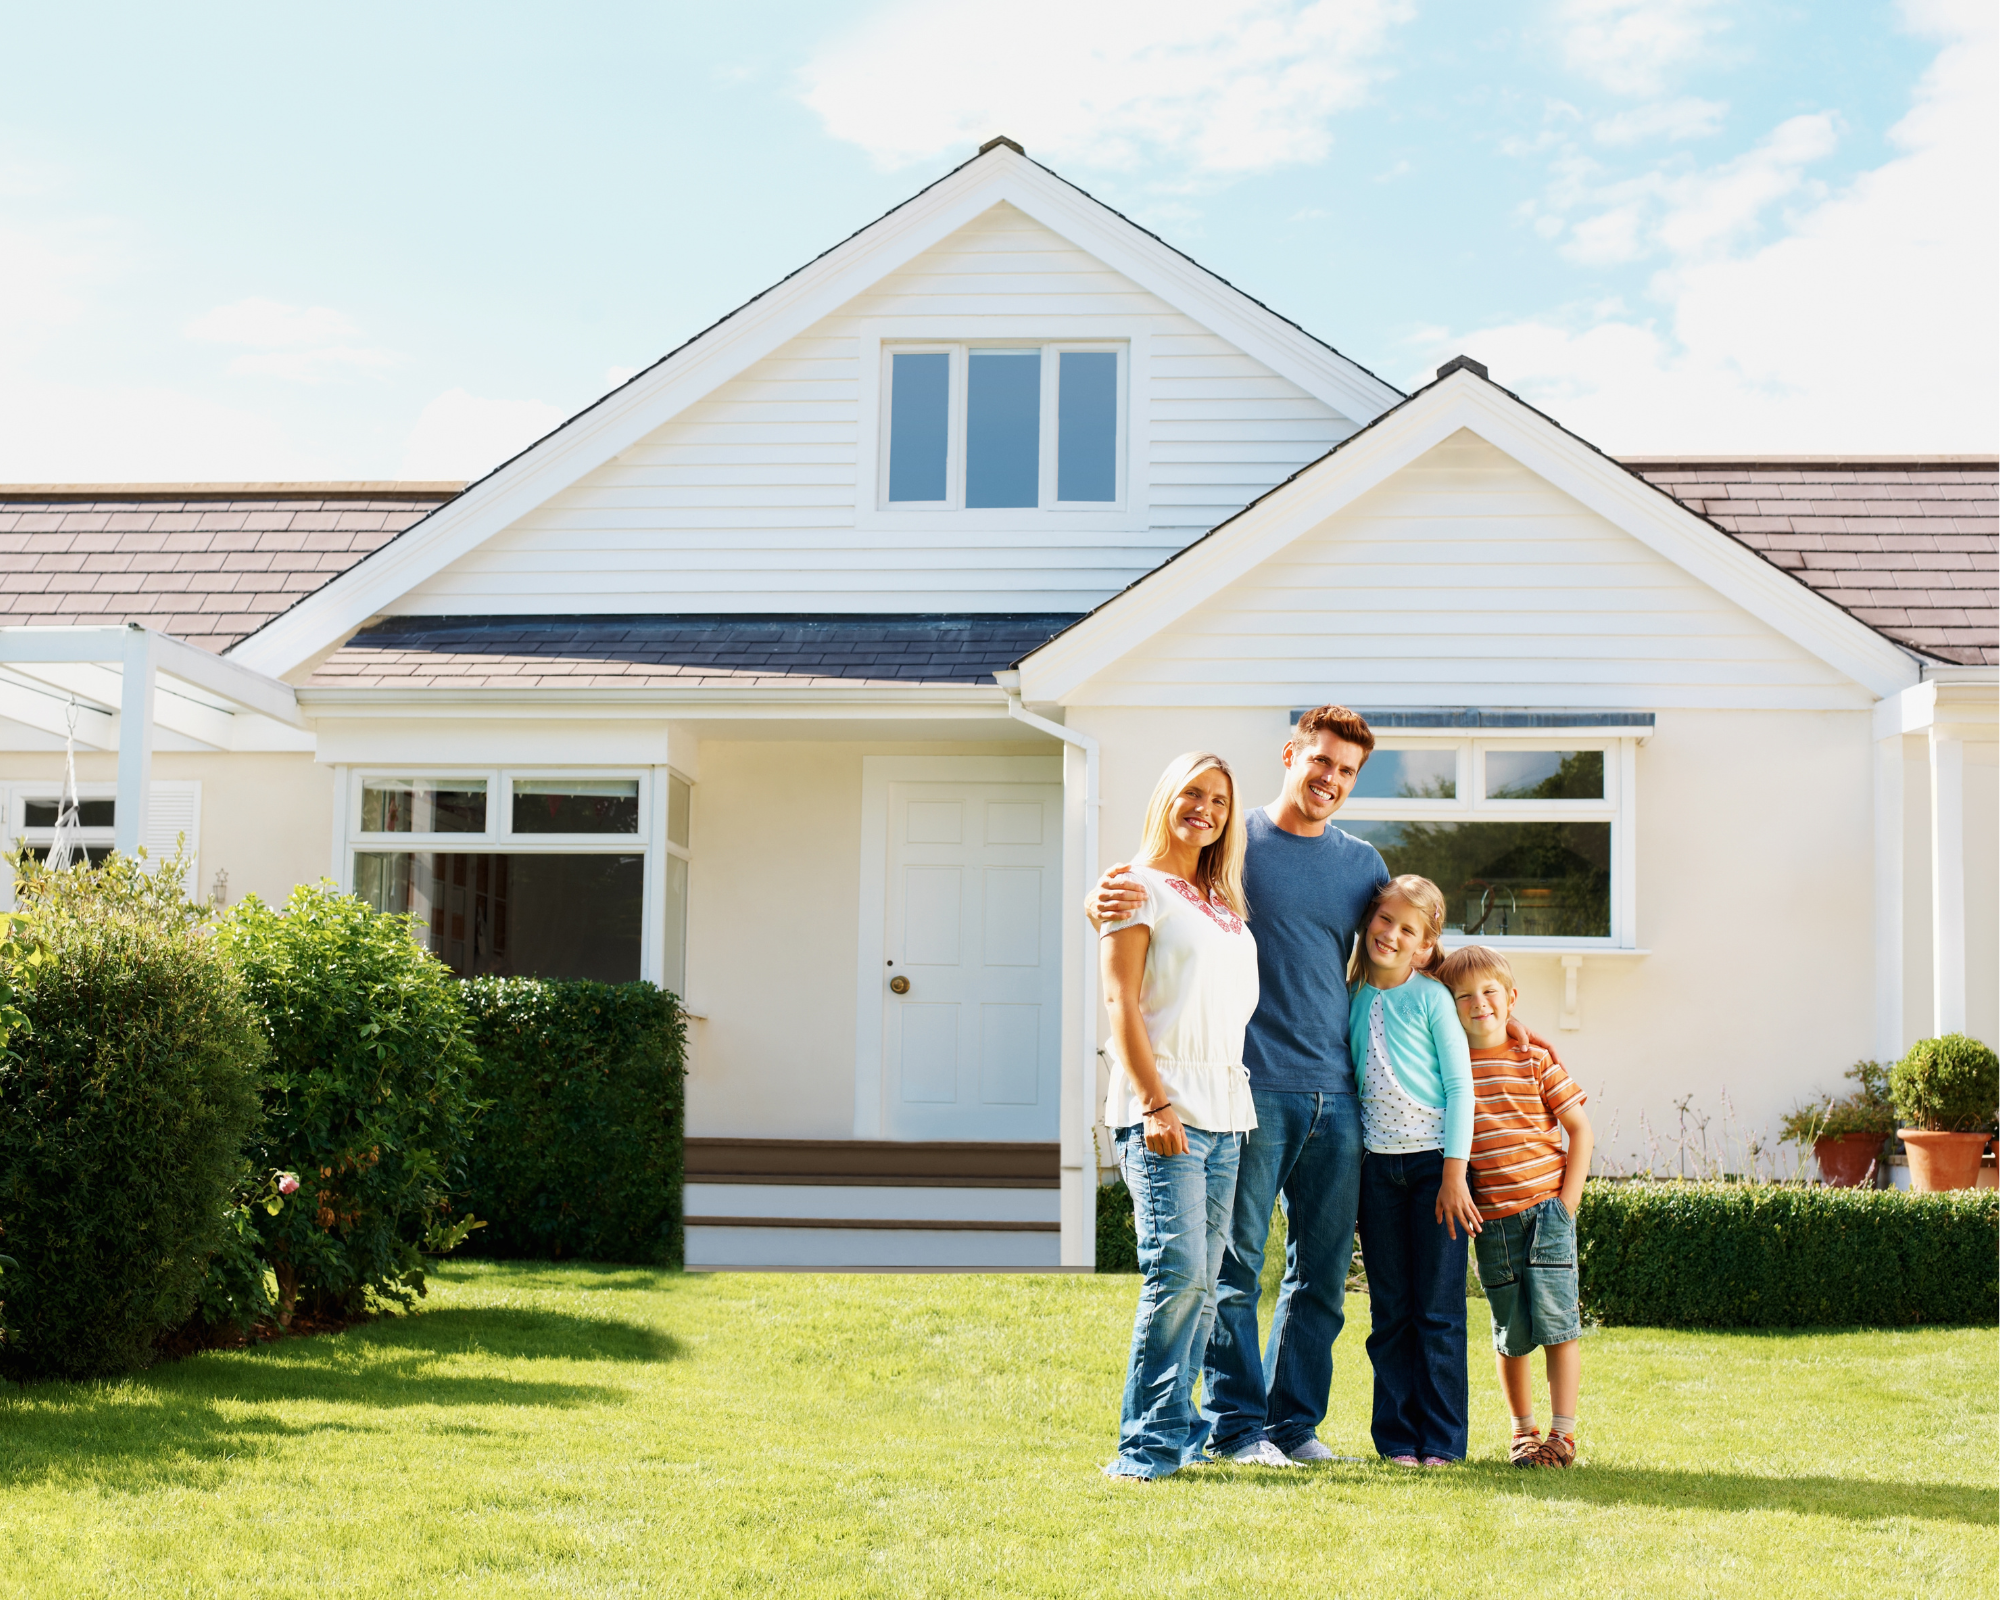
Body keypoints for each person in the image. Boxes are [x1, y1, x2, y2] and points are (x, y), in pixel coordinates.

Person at [1091, 705, 1387, 1467]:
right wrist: (1103, 899)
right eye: (1319, 760)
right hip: (1249, 1093)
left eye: (1346, 770)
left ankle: (1291, 1429)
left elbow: (1398, 954)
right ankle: (1232, 1427)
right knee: (1223, 1272)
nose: (1330, 779)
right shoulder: (1231, 845)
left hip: (1324, 1094)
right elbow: (1141, 917)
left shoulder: (1353, 868)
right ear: (1291, 754)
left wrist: (1488, 1016)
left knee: (1317, 1277)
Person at [1100, 751, 1260, 1481]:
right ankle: (1145, 1450)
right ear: (1166, 796)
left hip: (1225, 1111)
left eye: (1220, 801)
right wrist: (1154, 1101)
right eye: (1193, 793)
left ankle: (1180, 1434)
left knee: (1203, 1290)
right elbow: (1121, 1003)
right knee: (1178, 1277)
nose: (1206, 809)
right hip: (1165, 1109)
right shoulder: (1133, 888)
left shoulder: (1218, 900)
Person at [1439, 944, 1594, 1469]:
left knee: (1558, 1325)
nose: (1478, 1004)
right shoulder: (1451, 1065)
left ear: (1511, 999)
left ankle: (1563, 1435)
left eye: (1489, 993)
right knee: (1510, 1332)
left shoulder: (1534, 1059)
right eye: (1464, 997)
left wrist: (1565, 1208)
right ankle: (1523, 1432)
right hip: (1494, 1222)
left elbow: (1580, 1132)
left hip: (1546, 1213)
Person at [1347, 874, 1479, 1466]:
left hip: (1436, 1172)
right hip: (1378, 1173)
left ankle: (1444, 1443)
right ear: (1368, 919)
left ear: (1425, 946)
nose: (1391, 935)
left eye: (1408, 929)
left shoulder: (1430, 998)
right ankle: (1397, 1440)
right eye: (1385, 920)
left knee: (1439, 1312)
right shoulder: (1349, 993)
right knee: (1391, 1311)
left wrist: (1454, 1175)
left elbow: (1460, 1087)